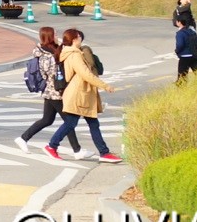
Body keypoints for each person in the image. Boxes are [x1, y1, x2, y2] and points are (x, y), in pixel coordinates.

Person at [46, 29, 120, 163]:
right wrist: (105, 85)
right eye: (79, 37)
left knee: (91, 123)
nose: (81, 39)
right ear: (75, 39)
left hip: (81, 93)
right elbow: (85, 74)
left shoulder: (71, 53)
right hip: (78, 94)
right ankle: (52, 145)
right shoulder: (74, 55)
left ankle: (104, 152)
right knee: (72, 123)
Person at [17, 28, 83, 159]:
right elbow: (50, 73)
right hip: (54, 92)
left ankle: (23, 138)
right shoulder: (44, 55)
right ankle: (76, 150)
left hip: (52, 92)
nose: (57, 36)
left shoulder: (54, 49)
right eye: (55, 34)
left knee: (47, 120)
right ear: (49, 36)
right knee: (69, 121)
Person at [173, 16, 197, 82]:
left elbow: (180, 45)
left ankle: (182, 87)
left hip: (185, 56)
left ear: (179, 22)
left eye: (176, 21)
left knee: (182, 74)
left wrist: (177, 51)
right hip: (194, 54)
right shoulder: (191, 31)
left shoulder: (180, 33)